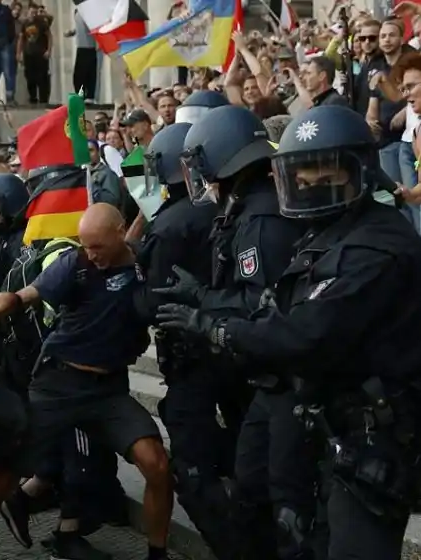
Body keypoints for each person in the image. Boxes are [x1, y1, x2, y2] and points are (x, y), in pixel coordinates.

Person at [157, 104, 421, 560]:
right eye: (302, 174)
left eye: (325, 172)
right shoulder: (328, 232)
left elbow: (304, 332)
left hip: (374, 436)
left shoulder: (376, 245)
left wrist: (212, 326)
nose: (311, 184)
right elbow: (276, 305)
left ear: (359, 171)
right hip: (333, 424)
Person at [0, 203, 172, 560]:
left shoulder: (140, 263)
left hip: (108, 392)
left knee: (157, 464)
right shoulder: (74, 264)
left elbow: (135, 241)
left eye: (99, 247)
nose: (92, 255)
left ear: (119, 233)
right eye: (86, 246)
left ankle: (157, 554)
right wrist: (10, 299)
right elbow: (34, 292)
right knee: (6, 472)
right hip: (58, 384)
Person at [156, 106, 312, 559]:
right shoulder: (252, 206)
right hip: (269, 375)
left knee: (278, 501)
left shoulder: (259, 219)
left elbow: (260, 302)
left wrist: (201, 299)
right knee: (252, 487)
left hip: (282, 376)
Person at [130, 123, 239, 560]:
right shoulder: (225, 209)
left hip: (193, 358)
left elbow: (150, 304)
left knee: (193, 470)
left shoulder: (170, 224)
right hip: (234, 349)